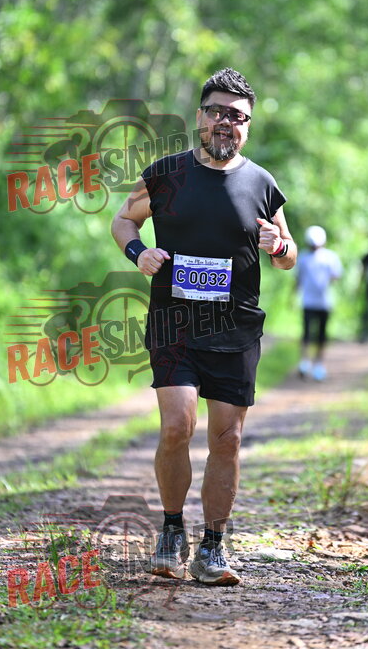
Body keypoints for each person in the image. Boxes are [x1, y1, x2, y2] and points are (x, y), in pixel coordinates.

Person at [111, 68, 296, 586]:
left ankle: (212, 546)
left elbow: (288, 254)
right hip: (174, 321)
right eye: (217, 112)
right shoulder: (166, 174)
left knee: (227, 439)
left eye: (237, 116)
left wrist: (279, 246)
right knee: (177, 425)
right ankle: (172, 529)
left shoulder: (262, 184)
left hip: (235, 326)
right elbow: (123, 220)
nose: (225, 123)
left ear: (248, 126)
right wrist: (138, 252)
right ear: (199, 117)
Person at [295, 226, 342, 381]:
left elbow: (336, 275)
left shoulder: (330, 257)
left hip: (323, 302)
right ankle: (305, 362)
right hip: (309, 301)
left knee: (321, 334)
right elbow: (298, 279)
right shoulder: (303, 257)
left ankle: (318, 364)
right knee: (307, 333)